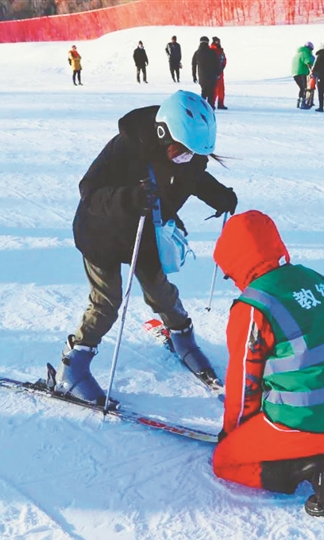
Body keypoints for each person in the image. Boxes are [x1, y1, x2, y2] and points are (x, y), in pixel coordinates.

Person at [53, 90, 238, 404]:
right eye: (181, 151)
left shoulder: (189, 152)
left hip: (146, 233)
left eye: (192, 153)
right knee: (107, 302)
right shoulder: (127, 146)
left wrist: (218, 194)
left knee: (161, 293)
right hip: (103, 233)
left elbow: (193, 177)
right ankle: (72, 368)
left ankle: (182, 338)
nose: (187, 158)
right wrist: (131, 198)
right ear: (165, 134)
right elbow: (90, 190)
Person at [211, 210, 324, 517]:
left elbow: (244, 383)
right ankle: (306, 451)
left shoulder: (254, 306)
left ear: (235, 261)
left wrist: (231, 434)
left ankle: (313, 470)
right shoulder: (318, 280)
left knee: (225, 462)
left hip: (309, 424)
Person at [191, 36, 221, 108]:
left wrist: (194, 76)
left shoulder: (197, 53)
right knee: (211, 94)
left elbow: (193, 64)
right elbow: (217, 64)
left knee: (204, 92)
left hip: (202, 77)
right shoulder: (212, 52)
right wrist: (218, 74)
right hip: (212, 77)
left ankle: (202, 107)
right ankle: (210, 108)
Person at [291, 41, 315, 108]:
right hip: (301, 72)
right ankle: (302, 103)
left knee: (302, 87)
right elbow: (308, 62)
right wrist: (312, 60)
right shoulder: (305, 53)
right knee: (304, 87)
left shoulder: (299, 53)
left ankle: (300, 102)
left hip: (295, 73)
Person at [211, 37, 228, 110]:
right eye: (216, 41)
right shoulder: (211, 50)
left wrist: (222, 67)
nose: (217, 43)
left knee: (221, 90)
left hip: (220, 73)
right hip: (213, 73)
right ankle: (212, 104)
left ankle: (221, 103)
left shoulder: (221, 51)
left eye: (218, 41)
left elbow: (224, 60)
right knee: (214, 90)